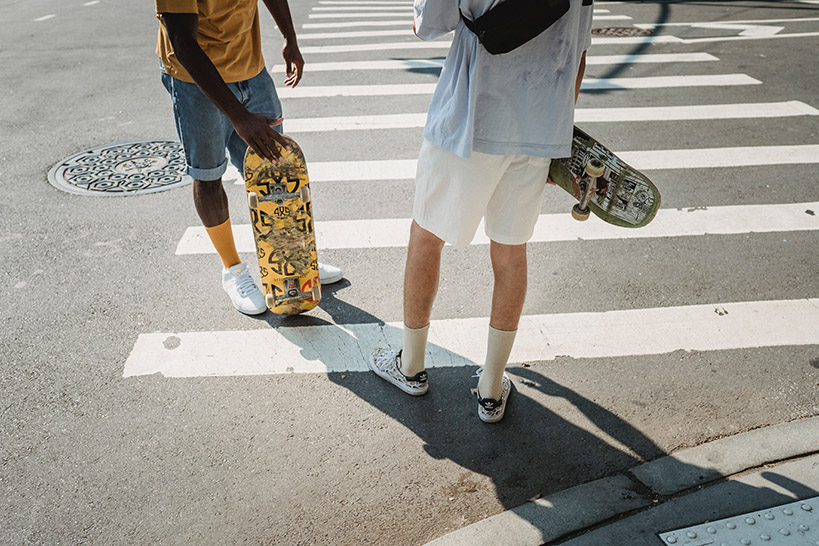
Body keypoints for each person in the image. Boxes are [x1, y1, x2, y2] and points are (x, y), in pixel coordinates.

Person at [369, 0, 593, 422]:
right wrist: (555, 138)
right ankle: (491, 388)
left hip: (471, 121)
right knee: (510, 253)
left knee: (427, 236)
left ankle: (411, 366)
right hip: (539, 126)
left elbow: (427, 25)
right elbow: (578, 54)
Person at [155, 0, 343, 316]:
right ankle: (233, 270)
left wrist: (290, 38)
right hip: (194, 81)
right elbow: (182, 41)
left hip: (250, 69)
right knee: (208, 175)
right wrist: (239, 117)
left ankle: (295, 258)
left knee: (277, 169)